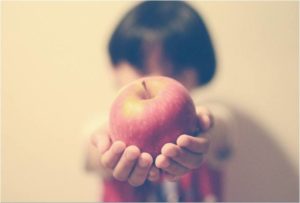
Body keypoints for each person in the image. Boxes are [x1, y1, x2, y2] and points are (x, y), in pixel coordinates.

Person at [86, 1, 233, 202]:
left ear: (200, 70)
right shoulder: (105, 125)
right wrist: (108, 149)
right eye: (141, 68)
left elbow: (220, 133)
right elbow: (90, 148)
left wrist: (200, 129)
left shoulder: (204, 119)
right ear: (114, 67)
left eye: (175, 70)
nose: (159, 78)